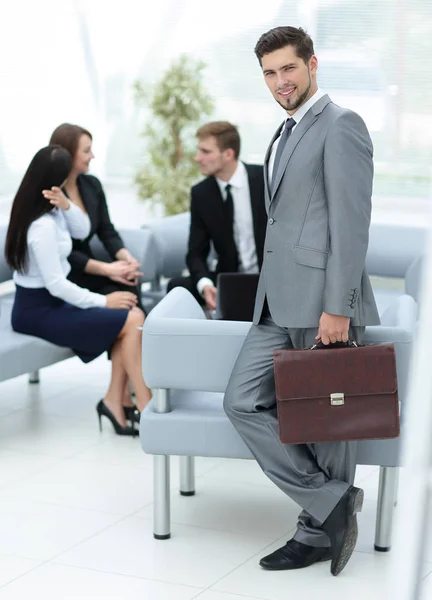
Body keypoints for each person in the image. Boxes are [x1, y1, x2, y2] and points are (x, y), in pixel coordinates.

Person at [223, 27, 380, 577]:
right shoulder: (284, 130)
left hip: (322, 305)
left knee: (325, 424)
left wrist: (338, 305)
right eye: (269, 72)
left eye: (288, 69)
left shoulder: (341, 125)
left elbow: (351, 224)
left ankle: (315, 533)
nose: (279, 81)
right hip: (276, 300)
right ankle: (331, 500)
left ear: (313, 63)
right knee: (241, 402)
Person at [5, 145, 152, 436]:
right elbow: (57, 285)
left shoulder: (51, 210)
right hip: (36, 310)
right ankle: (146, 409)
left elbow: (83, 230)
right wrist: (104, 301)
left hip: (49, 303)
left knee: (132, 316)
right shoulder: (41, 227)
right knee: (132, 318)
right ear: (58, 178)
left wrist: (67, 204)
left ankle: (119, 402)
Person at [49, 122, 144, 419]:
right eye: (86, 151)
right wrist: (107, 270)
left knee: (129, 290)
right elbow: (64, 253)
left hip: (93, 271)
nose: (92, 157)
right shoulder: (52, 194)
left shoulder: (91, 185)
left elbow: (106, 230)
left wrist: (125, 258)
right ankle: (129, 399)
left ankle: (117, 398)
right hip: (69, 276)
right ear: (67, 154)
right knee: (127, 310)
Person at [167, 121, 266, 311]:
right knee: (178, 287)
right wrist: (205, 285)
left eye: (205, 152)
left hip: (270, 279)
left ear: (228, 154)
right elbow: (195, 253)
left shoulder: (265, 179)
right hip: (229, 279)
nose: (197, 158)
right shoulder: (201, 193)